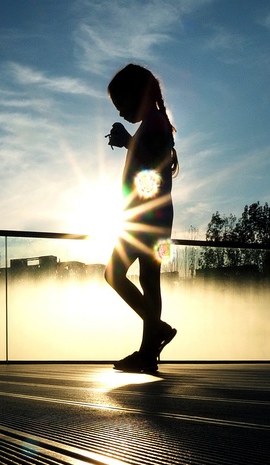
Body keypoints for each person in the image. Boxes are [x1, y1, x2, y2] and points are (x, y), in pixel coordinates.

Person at [104, 63, 178, 373]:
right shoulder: (154, 123)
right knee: (147, 280)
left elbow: (154, 167)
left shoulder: (155, 123)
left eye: (122, 104)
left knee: (118, 274)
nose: (121, 113)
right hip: (151, 217)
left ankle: (152, 341)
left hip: (148, 218)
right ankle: (150, 348)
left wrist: (127, 142)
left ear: (137, 95)